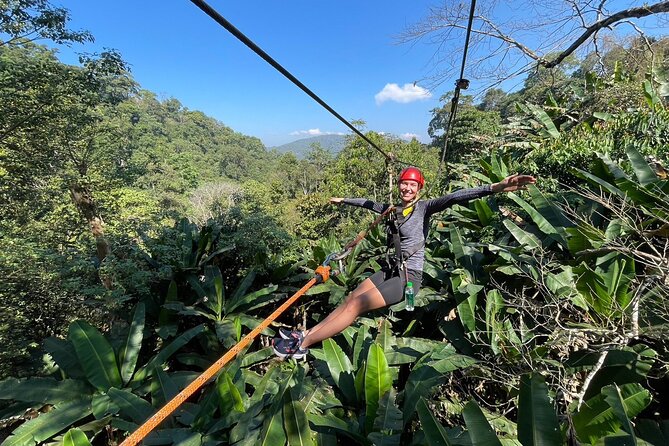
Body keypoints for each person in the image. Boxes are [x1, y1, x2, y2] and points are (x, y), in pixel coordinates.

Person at [273, 167, 536, 359]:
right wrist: (344, 200)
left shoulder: (425, 208)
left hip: (409, 277)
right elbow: (370, 204)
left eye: (412, 185)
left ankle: (303, 345)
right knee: (351, 296)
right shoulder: (392, 209)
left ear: (419, 189)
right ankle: (306, 334)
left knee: (355, 305)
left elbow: (456, 196)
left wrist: (495, 187)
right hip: (391, 270)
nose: (407, 188)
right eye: (404, 184)